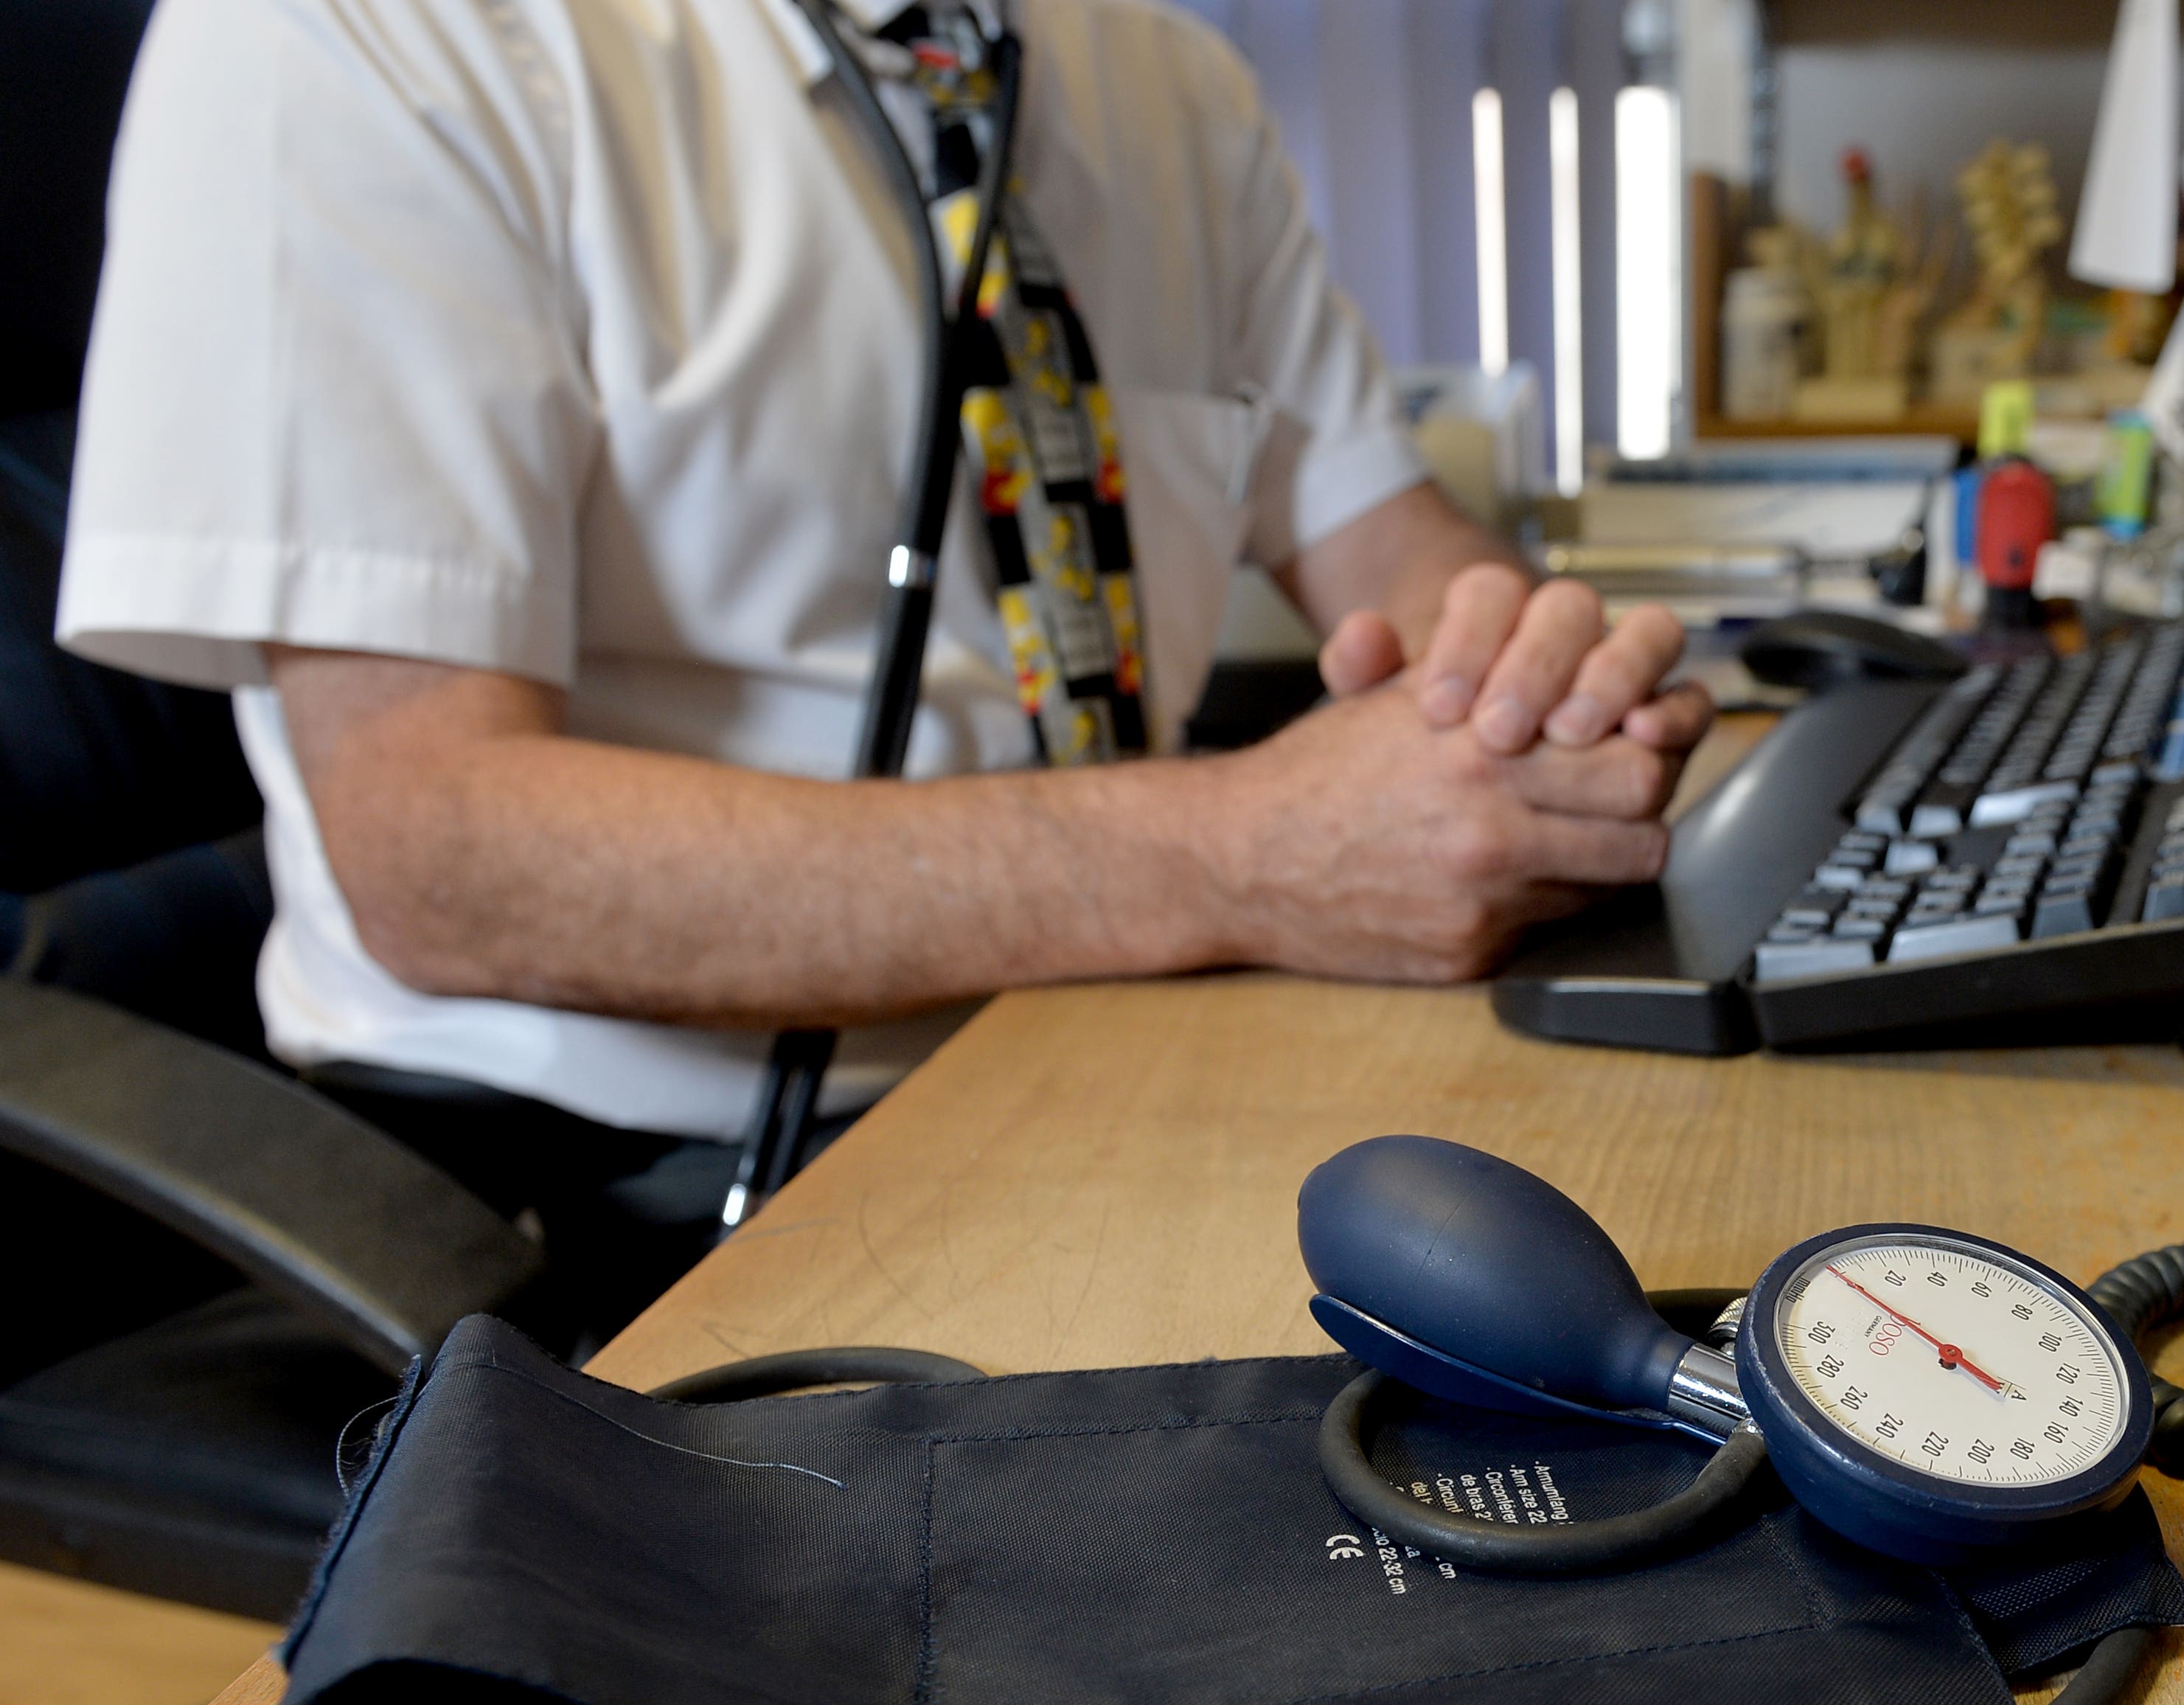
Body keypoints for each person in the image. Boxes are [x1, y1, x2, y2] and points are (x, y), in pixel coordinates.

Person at [55, 0, 1707, 1327]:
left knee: (1682, 1268)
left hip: (1116, 1042)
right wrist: (1247, 855)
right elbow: (435, 851)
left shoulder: (1166, 77)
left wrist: (1524, 676)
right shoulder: (362, 37)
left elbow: (1397, 544)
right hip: (615, 1190)